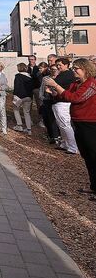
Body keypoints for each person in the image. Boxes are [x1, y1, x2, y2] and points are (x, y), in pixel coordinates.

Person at [44, 59, 96, 199]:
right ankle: (93, 186)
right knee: (87, 155)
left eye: (77, 69)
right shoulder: (77, 84)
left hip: (90, 124)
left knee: (93, 155)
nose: (74, 71)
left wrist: (56, 84)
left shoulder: (91, 83)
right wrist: (54, 92)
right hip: (79, 122)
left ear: (86, 69)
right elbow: (66, 95)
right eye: (73, 68)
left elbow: (76, 98)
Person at [51, 57, 78, 154]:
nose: (58, 67)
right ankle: (65, 144)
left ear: (66, 65)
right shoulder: (62, 74)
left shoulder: (67, 74)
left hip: (64, 103)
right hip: (59, 101)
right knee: (61, 125)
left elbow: (55, 84)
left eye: (60, 65)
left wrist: (52, 86)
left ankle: (72, 147)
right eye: (57, 65)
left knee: (65, 125)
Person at [39, 63, 60, 144]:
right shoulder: (46, 78)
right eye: (52, 69)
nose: (53, 71)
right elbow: (41, 89)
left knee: (54, 119)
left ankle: (56, 136)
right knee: (47, 119)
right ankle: (51, 135)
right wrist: (41, 97)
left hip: (55, 101)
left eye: (55, 69)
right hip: (46, 100)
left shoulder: (59, 78)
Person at [12, 63, 34, 134]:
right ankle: (29, 129)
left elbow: (17, 87)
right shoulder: (30, 77)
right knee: (26, 112)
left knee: (16, 109)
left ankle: (19, 125)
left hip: (19, 96)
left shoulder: (18, 76)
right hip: (28, 96)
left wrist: (15, 95)